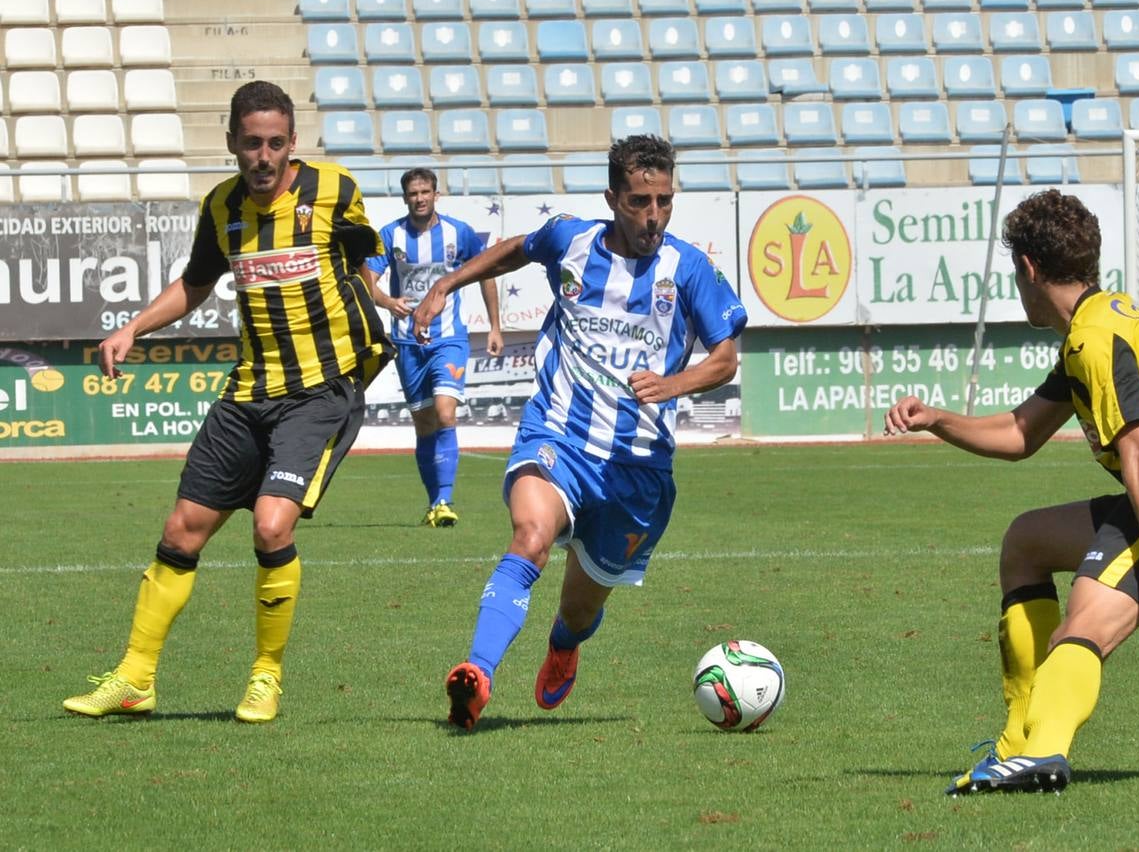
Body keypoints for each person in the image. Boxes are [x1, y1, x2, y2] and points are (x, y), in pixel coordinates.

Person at [886, 190, 1139, 794]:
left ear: (1030, 269)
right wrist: (937, 418)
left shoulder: (1096, 338)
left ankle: (1045, 752)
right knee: (1026, 543)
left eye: (1016, 272)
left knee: (1081, 621)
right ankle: (1017, 743)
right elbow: (1020, 433)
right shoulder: (1093, 327)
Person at [62, 81, 390, 723]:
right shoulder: (219, 207)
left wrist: (377, 332)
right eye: (251, 143)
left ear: (292, 143)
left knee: (272, 523)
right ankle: (135, 679)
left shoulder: (335, 191)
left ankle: (265, 678)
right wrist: (131, 327)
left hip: (320, 391)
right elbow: (195, 283)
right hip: (247, 391)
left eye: (275, 143)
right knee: (181, 530)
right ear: (233, 144)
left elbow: (362, 264)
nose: (263, 156)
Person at [412, 134, 747, 730]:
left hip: (637, 466)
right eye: (640, 201)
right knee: (531, 536)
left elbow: (725, 358)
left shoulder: (688, 269)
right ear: (613, 197)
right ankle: (478, 673)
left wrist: (674, 384)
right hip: (560, 435)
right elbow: (519, 248)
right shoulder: (572, 240)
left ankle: (564, 644)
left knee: (582, 604)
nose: (654, 216)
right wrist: (445, 285)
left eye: (664, 201)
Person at [366, 167, 503, 527]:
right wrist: (388, 301)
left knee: (445, 413)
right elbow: (366, 281)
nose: (420, 198)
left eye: (425, 192)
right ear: (405, 197)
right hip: (407, 341)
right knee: (425, 422)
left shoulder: (459, 233)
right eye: (413, 193)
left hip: (449, 338)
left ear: (436, 194)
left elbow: (486, 271)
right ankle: (434, 504)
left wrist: (494, 326)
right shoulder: (391, 235)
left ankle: (445, 498)